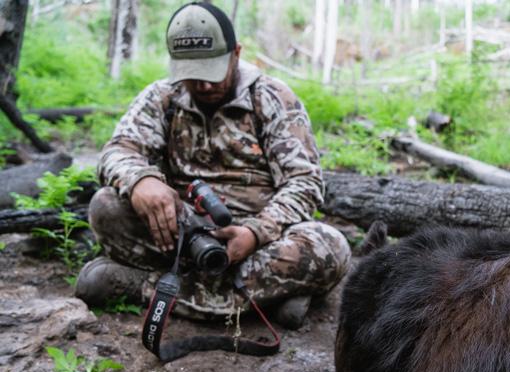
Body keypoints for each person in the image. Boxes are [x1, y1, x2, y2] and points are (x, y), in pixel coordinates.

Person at [74, 2, 351, 329]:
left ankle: (143, 286)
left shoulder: (272, 98)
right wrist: (140, 181)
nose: (204, 86)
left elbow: (304, 183)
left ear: (236, 53)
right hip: (179, 235)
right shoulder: (163, 97)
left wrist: (255, 232)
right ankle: (265, 298)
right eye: (193, 75)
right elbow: (118, 150)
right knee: (105, 207)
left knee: (330, 247)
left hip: (259, 240)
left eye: (212, 73)